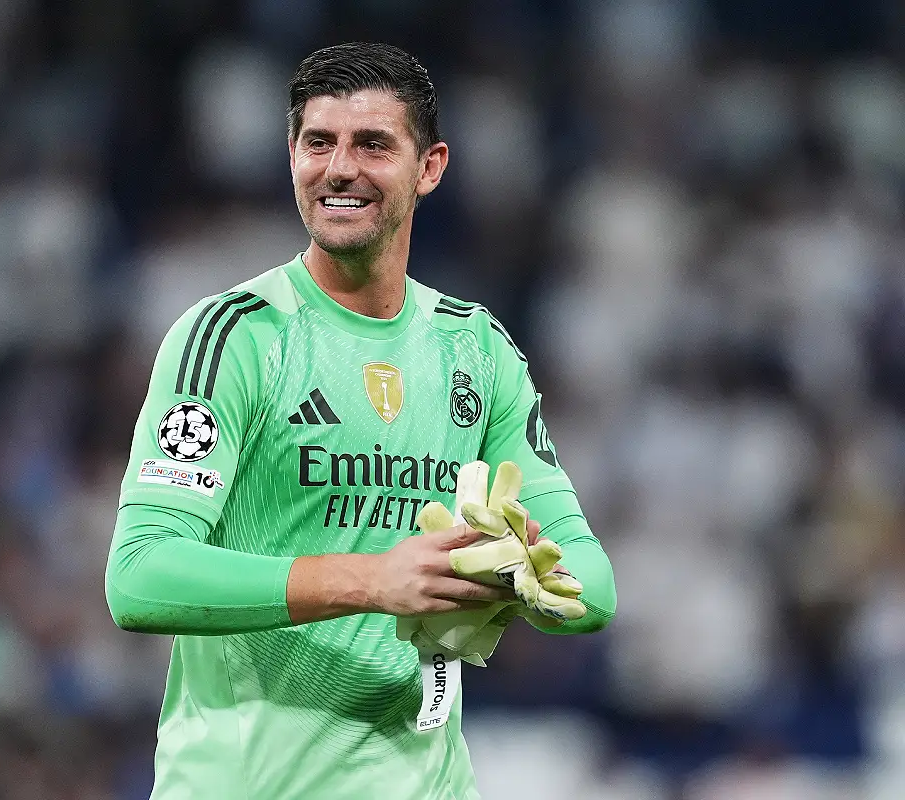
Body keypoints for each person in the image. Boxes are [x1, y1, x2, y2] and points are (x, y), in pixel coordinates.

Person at [106, 41, 617, 800]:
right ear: (291, 158)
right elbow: (140, 578)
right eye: (319, 143)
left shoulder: (475, 348)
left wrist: (518, 574)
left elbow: (593, 589)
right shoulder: (233, 337)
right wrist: (376, 581)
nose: (339, 168)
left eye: (373, 144)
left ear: (430, 168)